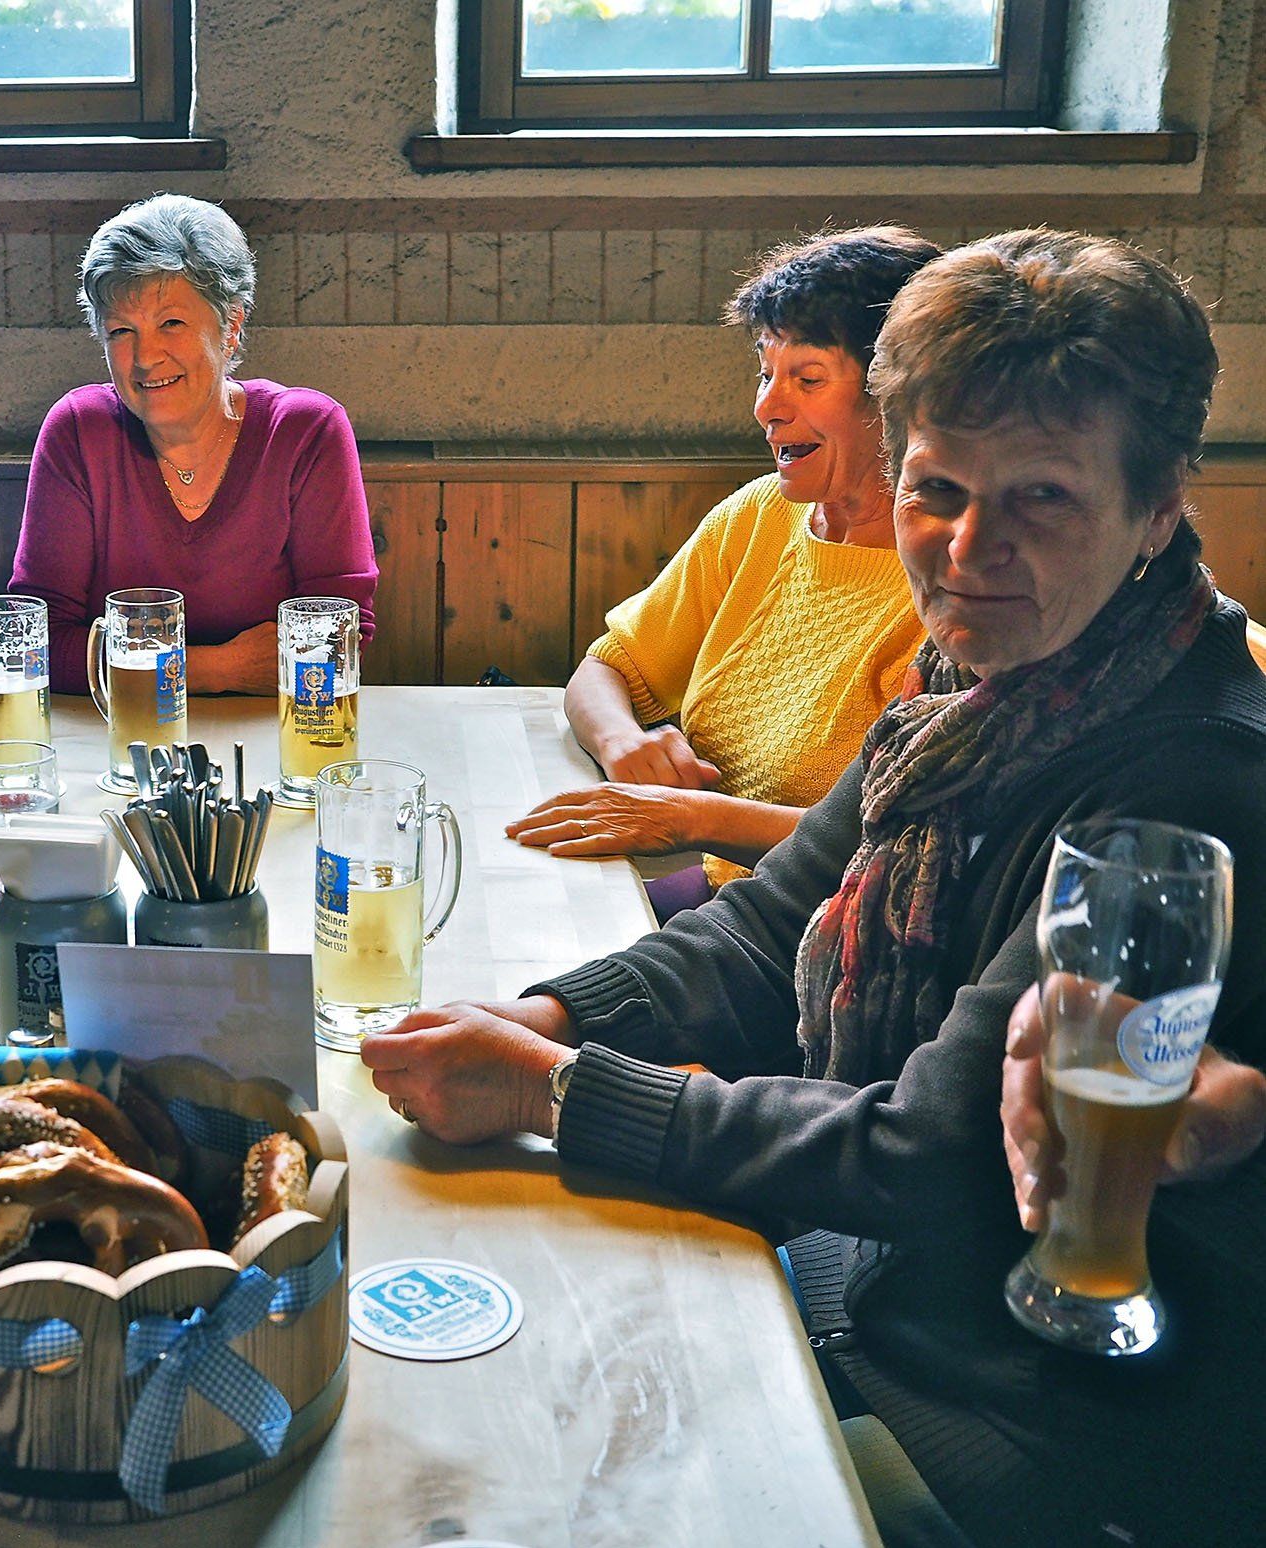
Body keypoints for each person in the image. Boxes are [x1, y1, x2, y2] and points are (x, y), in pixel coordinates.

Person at [362, 233, 1266, 1547]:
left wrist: (551, 1092)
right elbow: (764, 923)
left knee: (572, 1476)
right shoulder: (977, 685)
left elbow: (933, 1157)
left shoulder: (1185, 786)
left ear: (1157, 503)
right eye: (935, 488)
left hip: (1026, 1429)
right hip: (878, 1294)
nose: (968, 545)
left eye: (1041, 498)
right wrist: (549, 1017)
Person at [512, 228, 938, 918]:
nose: (767, 407)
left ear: (898, 392)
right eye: (766, 373)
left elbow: (900, 847)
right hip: (715, 895)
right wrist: (625, 743)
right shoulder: (762, 514)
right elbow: (607, 667)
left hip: (818, 928)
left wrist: (691, 817)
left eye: (807, 379)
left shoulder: (951, 584)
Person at [9, 194, 378, 696]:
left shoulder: (305, 431)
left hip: (274, 728)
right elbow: (38, 645)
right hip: (117, 731)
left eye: (171, 324)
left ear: (231, 326)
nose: (145, 357)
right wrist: (220, 668)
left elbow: (337, 640)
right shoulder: (79, 430)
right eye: (121, 331)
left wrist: (129, 668)